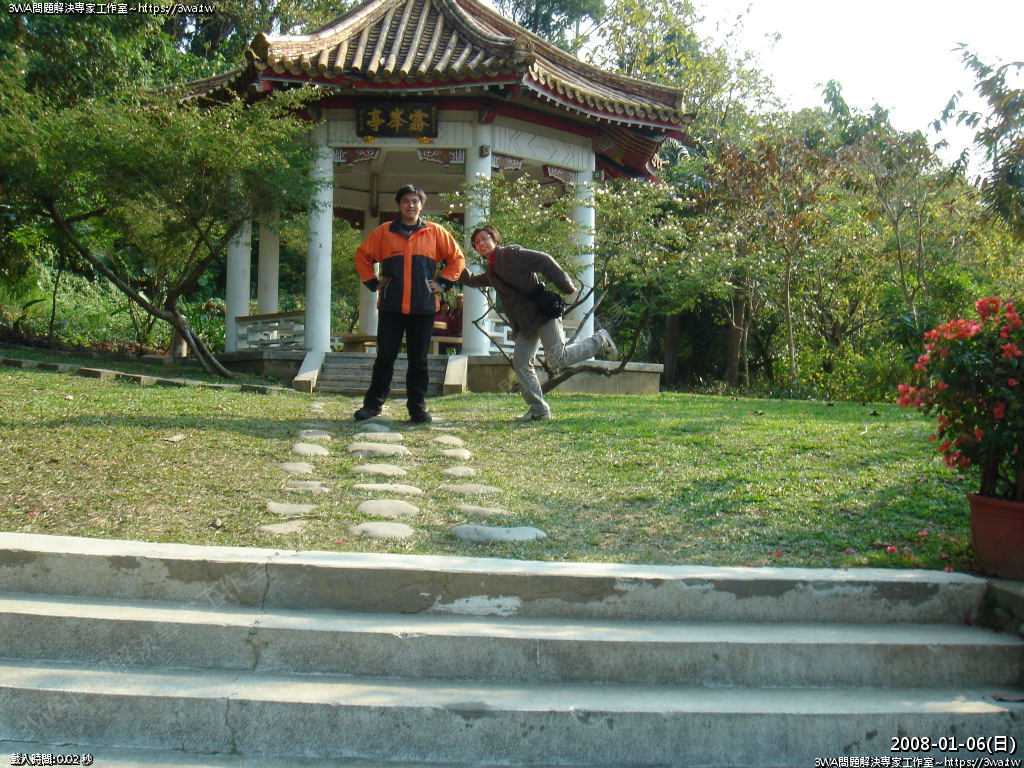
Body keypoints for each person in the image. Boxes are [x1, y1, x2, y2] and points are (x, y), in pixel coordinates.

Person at [459, 225, 617, 421]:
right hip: (525, 324)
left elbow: (544, 260)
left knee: (558, 359)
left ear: (495, 239)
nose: (481, 243)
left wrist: (566, 286)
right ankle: (539, 410)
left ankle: (600, 340)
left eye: (485, 238)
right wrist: (453, 264)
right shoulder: (491, 270)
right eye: (477, 242)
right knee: (521, 364)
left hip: (542, 312)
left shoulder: (511, 254)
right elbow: (474, 280)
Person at [353, 185, 465, 423]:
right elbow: (362, 255)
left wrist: (444, 284)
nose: (410, 205)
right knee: (384, 359)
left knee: (419, 362)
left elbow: (457, 258)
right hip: (391, 307)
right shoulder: (384, 232)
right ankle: (372, 406)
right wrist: (373, 283)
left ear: (421, 205)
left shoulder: (435, 232)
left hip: (423, 308)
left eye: (415, 201)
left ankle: (417, 408)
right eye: (406, 201)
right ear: (398, 205)